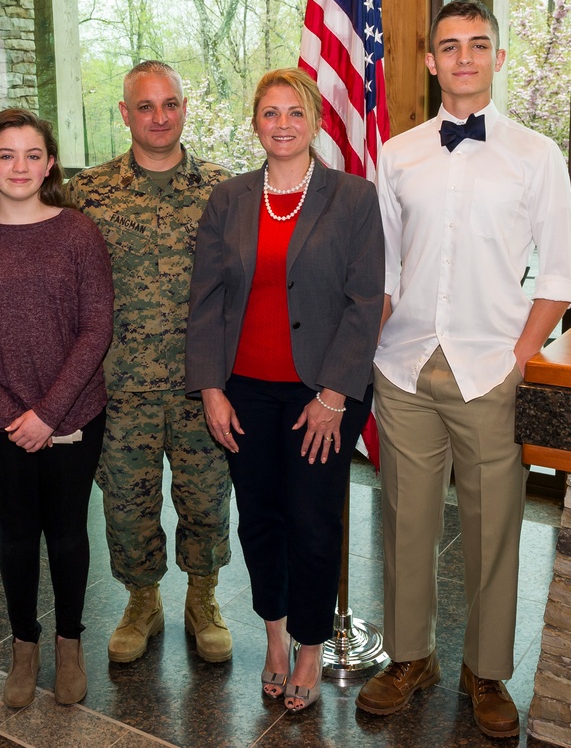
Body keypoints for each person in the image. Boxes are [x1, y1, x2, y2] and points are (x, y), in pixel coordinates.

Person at [355, 0, 571, 738]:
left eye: (477, 45)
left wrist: (519, 360)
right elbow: (383, 269)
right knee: (404, 521)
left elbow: (560, 276)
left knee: (495, 528)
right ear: (429, 61)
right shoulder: (399, 154)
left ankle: (485, 672)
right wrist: (362, 358)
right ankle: (409, 656)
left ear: (498, 58)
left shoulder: (535, 156)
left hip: (491, 371)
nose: (463, 57)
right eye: (449, 46)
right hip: (404, 366)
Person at [185, 68, 385, 713]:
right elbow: (207, 302)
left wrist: (332, 395)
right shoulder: (230, 199)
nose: (283, 124)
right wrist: (211, 389)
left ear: (315, 122)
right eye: (270, 113)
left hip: (322, 396)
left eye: (294, 112)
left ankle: (308, 646)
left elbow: (365, 302)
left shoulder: (352, 198)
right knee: (260, 518)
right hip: (244, 392)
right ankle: (274, 636)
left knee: (313, 519)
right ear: (256, 124)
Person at [0, 109, 114, 708]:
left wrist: (49, 415)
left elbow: (96, 328)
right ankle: (23, 648)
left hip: (76, 415)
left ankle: (69, 645)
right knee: (15, 538)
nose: (19, 166)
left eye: (32, 154)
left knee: (66, 535)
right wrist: (14, 415)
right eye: (6, 155)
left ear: (51, 163)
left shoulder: (79, 234)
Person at [65, 61, 234, 665]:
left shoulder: (224, 189)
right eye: (145, 106)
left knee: (207, 500)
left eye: (170, 104)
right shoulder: (87, 193)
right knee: (127, 505)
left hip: (202, 387)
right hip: (120, 385)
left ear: (185, 108)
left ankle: (204, 600)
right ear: (125, 114)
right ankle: (142, 602)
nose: (159, 117)